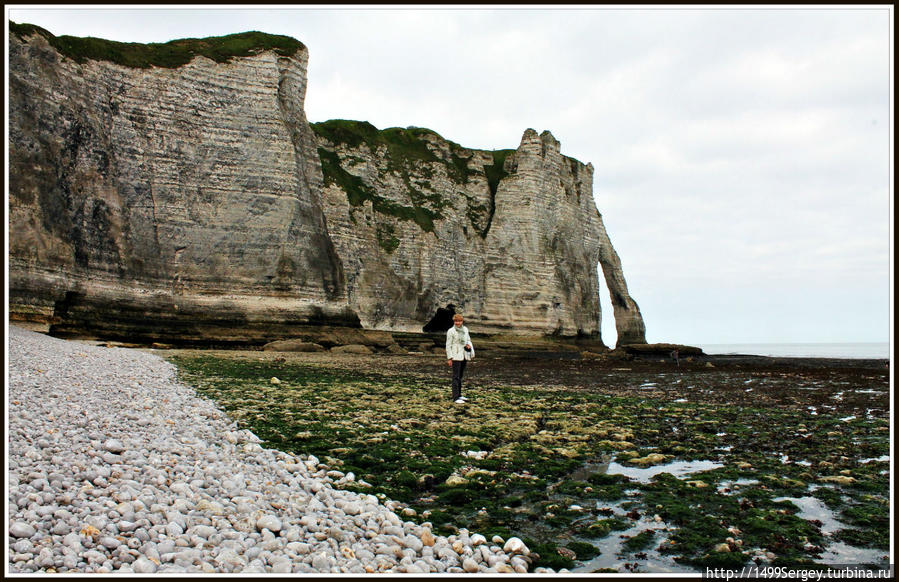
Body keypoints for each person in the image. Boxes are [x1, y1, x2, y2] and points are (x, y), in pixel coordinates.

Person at [446, 314, 474, 403]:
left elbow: (468, 339)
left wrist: (468, 345)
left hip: (464, 355)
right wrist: (449, 358)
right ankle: (455, 397)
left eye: (459, 321)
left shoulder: (465, 329)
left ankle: (459, 395)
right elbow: (448, 345)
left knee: (460, 376)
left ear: (462, 321)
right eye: (456, 321)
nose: (457, 323)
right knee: (455, 376)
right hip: (455, 356)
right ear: (454, 321)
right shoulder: (451, 331)